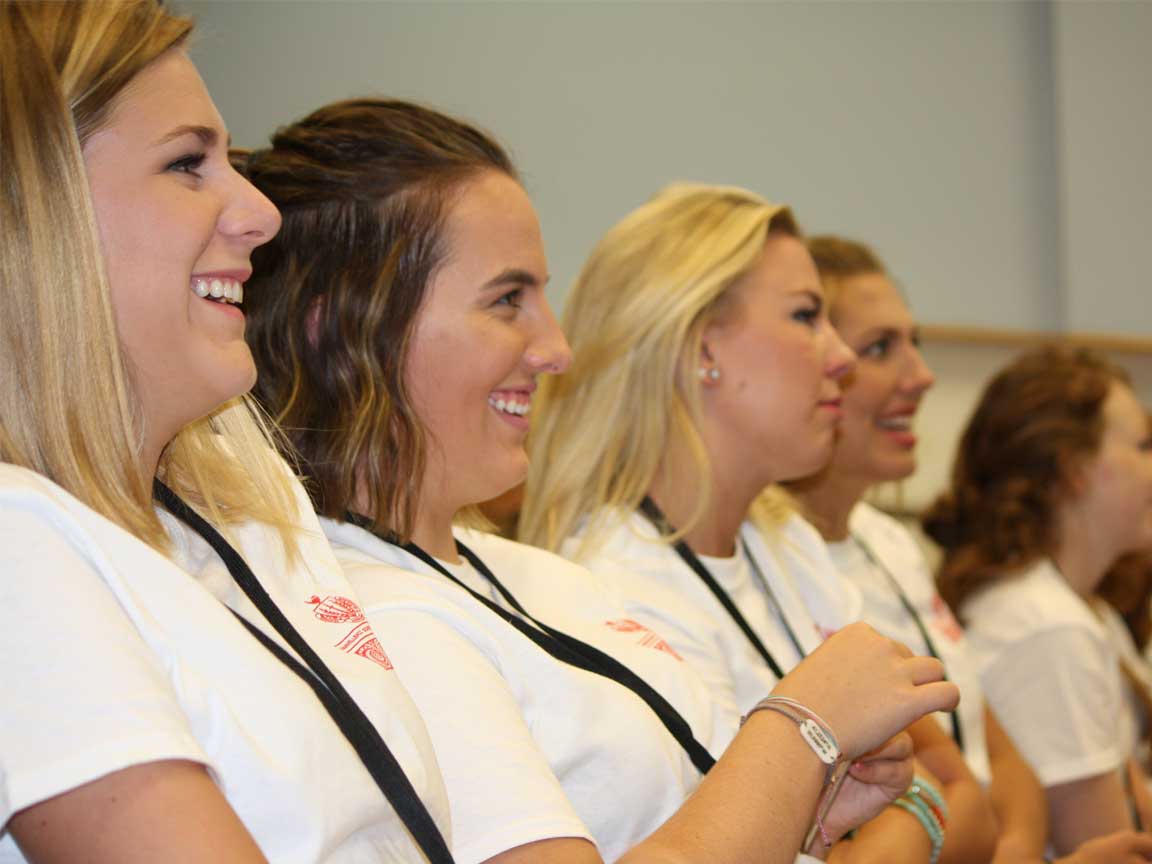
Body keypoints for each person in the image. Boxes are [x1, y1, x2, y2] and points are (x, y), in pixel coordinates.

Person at [242, 98, 959, 864]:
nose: (555, 348)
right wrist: (803, 728)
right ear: (346, 324)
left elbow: (691, 815)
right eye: (507, 299)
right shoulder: (370, 617)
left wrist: (806, 816)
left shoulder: (538, 578)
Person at [0, 3, 452, 861]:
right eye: (186, 164)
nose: (260, 213)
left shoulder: (245, 509)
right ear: (33, 218)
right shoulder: (12, 540)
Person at [520, 183, 993, 863]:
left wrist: (898, 808)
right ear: (699, 347)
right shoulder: (609, 596)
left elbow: (941, 782)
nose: (842, 358)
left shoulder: (786, 541)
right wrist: (903, 814)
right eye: (806, 317)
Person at [789, 234, 1134, 862]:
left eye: (914, 344)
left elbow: (997, 754)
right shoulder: (783, 567)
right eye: (880, 349)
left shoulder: (890, 542)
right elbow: (911, 802)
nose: (920, 377)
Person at [924, 345, 1152, 855]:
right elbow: (1109, 846)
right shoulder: (1047, 627)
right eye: (1144, 445)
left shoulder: (1087, 611)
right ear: (1074, 470)